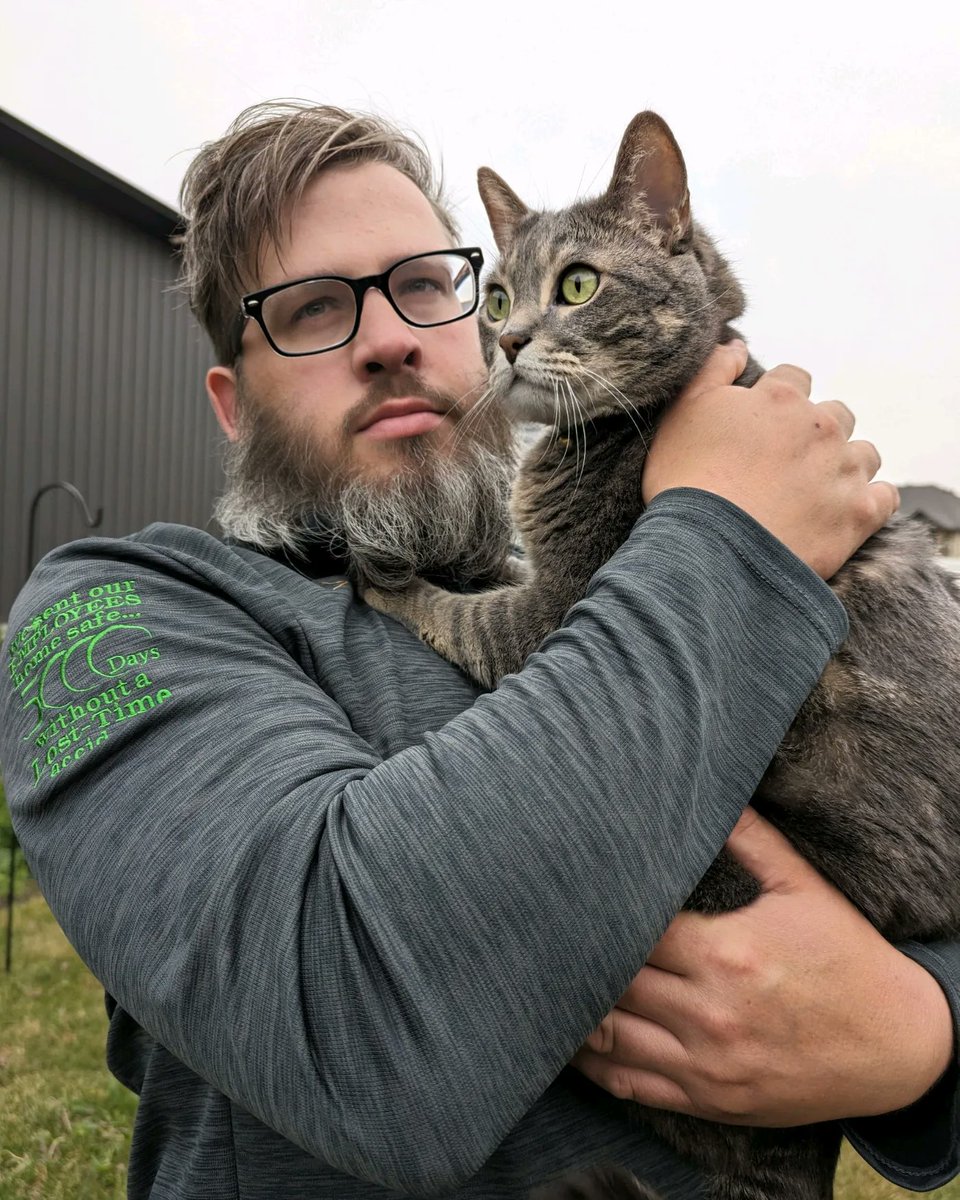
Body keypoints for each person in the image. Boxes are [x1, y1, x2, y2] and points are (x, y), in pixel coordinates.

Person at [0, 101, 957, 1199]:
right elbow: (360, 1027)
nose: (390, 338)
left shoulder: (622, 559)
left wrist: (919, 1030)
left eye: (424, 286)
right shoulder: (122, 614)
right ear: (232, 404)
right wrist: (726, 530)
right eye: (313, 310)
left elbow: (918, 831)